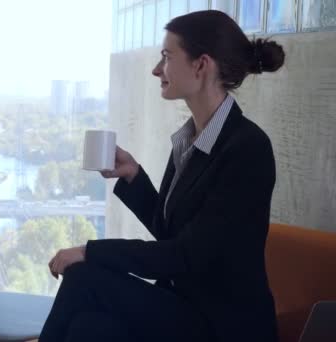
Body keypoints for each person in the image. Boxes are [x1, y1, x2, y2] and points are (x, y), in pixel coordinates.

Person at [40, 10, 285, 342]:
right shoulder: (190, 139)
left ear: (201, 65)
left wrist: (89, 251)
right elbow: (176, 237)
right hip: (184, 305)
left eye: (167, 57)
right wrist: (134, 178)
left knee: (84, 277)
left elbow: (185, 255)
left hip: (221, 324)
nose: (157, 69)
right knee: (90, 327)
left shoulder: (247, 149)